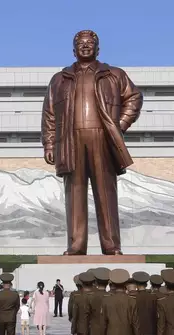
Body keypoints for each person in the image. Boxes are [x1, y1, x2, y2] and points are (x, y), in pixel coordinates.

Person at [41, 30, 143, 256]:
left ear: (98, 48)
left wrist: (119, 125)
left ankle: (111, 245)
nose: (85, 46)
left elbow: (134, 97)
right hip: (70, 140)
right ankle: (76, 245)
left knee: (106, 192)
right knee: (74, 193)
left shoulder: (114, 74)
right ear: (73, 49)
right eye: (80, 43)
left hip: (102, 138)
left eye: (90, 43)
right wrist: (49, 144)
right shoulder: (60, 79)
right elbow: (49, 114)